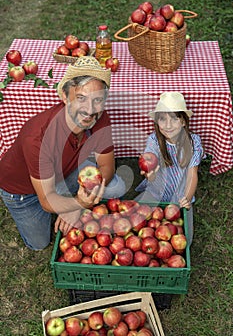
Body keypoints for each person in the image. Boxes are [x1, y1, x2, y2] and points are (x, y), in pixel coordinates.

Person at [0, 56, 126, 250]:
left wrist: (79, 206)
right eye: (81, 98)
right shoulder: (38, 139)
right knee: (39, 243)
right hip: (22, 191)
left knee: (116, 187)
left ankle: (70, 197)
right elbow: (46, 199)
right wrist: (78, 203)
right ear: (66, 96)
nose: (90, 110)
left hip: (63, 171)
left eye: (98, 100)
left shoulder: (99, 117)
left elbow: (107, 166)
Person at [135, 92, 205, 244]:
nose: (168, 125)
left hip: (180, 196)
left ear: (183, 122)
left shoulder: (193, 142)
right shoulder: (154, 140)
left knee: (185, 239)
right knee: (133, 220)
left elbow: (193, 174)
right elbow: (149, 166)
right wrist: (150, 175)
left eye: (174, 118)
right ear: (157, 122)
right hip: (155, 191)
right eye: (162, 119)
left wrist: (186, 198)